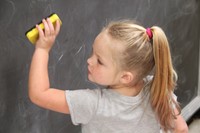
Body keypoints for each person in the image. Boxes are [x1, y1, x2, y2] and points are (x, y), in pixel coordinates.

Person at [28, 18, 188, 133]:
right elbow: (180, 129)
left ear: (125, 77)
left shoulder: (94, 104)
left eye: (100, 61)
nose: (89, 61)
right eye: (93, 53)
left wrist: (42, 49)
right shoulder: (158, 90)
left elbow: (39, 94)